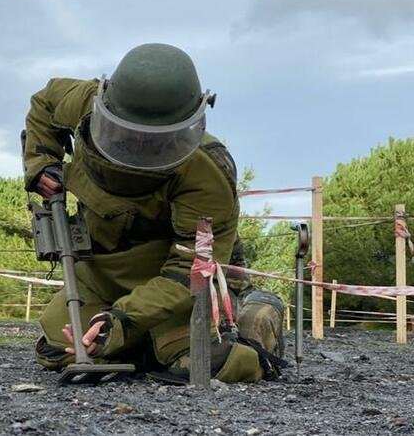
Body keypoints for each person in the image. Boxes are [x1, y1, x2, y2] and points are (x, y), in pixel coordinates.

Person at [22, 43, 285, 383]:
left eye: (154, 139)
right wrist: (42, 162)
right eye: (127, 133)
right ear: (104, 101)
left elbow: (188, 272)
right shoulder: (82, 102)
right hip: (103, 274)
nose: (138, 147)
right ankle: (144, 343)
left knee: (197, 365)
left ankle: (251, 319)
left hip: (175, 285)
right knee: (58, 351)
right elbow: (44, 103)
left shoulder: (208, 174)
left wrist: (123, 320)